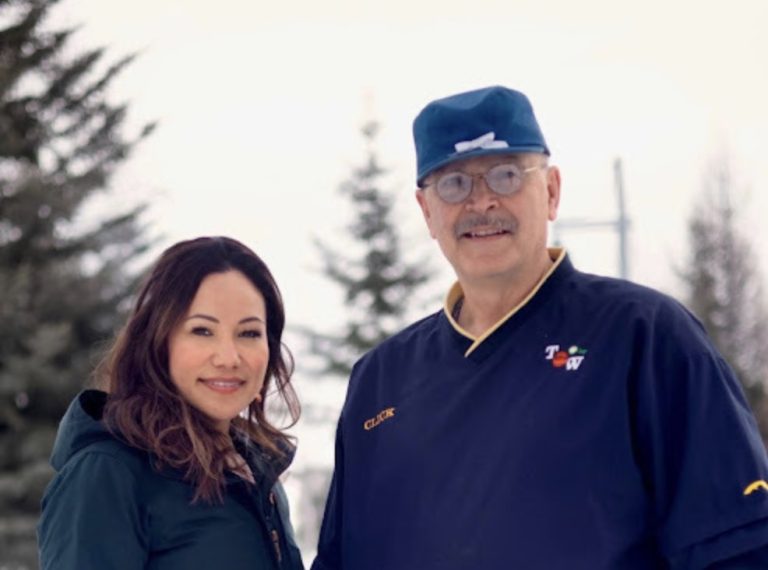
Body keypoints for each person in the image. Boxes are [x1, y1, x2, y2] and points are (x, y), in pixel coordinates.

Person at [311, 86, 768, 569]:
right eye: (454, 184)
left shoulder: (644, 337)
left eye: (506, 175)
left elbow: (737, 549)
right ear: (427, 211)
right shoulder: (380, 381)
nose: (482, 202)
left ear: (551, 191)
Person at [38, 236, 304, 569]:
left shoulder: (259, 477)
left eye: (249, 333)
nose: (228, 357)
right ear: (159, 340)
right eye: (202, 331)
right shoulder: (108, 473)